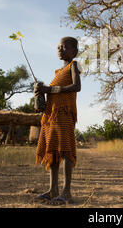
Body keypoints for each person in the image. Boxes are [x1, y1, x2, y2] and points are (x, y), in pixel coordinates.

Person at [34, 36, 81, 205]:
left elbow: (77, 87)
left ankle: (66, 192)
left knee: (66, 151)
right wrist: (40, 95)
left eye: (65, 47)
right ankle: (53, 190)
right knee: (52, 152)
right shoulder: (57, 73)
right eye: (58, 47)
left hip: (64, 116)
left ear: (74, 51)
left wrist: (50, 89)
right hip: (51, 118)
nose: (60, 50)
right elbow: (50, 97)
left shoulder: (74, 65)